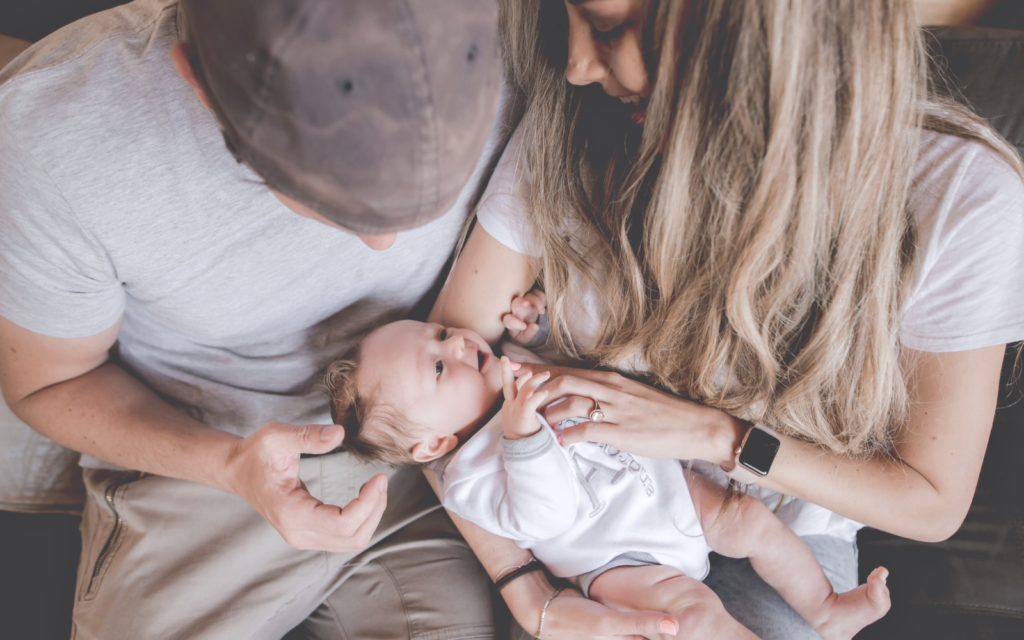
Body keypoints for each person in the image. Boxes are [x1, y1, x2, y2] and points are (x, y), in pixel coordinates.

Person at [424, 0, 1024, 638]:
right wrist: (528, 591)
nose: (572, 66)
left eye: (606, 27)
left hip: (779, 527)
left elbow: (931, 502)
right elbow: (430, 396)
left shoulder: (959, 196)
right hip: (594, 531)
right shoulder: (574, 124)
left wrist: (716, 436)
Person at [0, 0, 526, 637]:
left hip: (422, 463)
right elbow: (50, 383)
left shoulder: (520, 28)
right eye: (331, 202)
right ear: (197, 77)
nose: (382, 245)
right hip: (202, 462)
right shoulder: (51, 138)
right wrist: (227, 465)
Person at [322, 315, 893, 640]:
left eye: (440, 332)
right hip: (617, 561)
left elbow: (577, 355)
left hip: (670, 490)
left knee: (749, 520)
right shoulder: (467, 479)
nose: (457, 342)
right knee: (687, 616)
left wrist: (534, 315)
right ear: (433, 443)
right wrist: (522, 437)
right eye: (440, 365)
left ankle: (823, 605)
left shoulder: (511, 369)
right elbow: (546, 515)